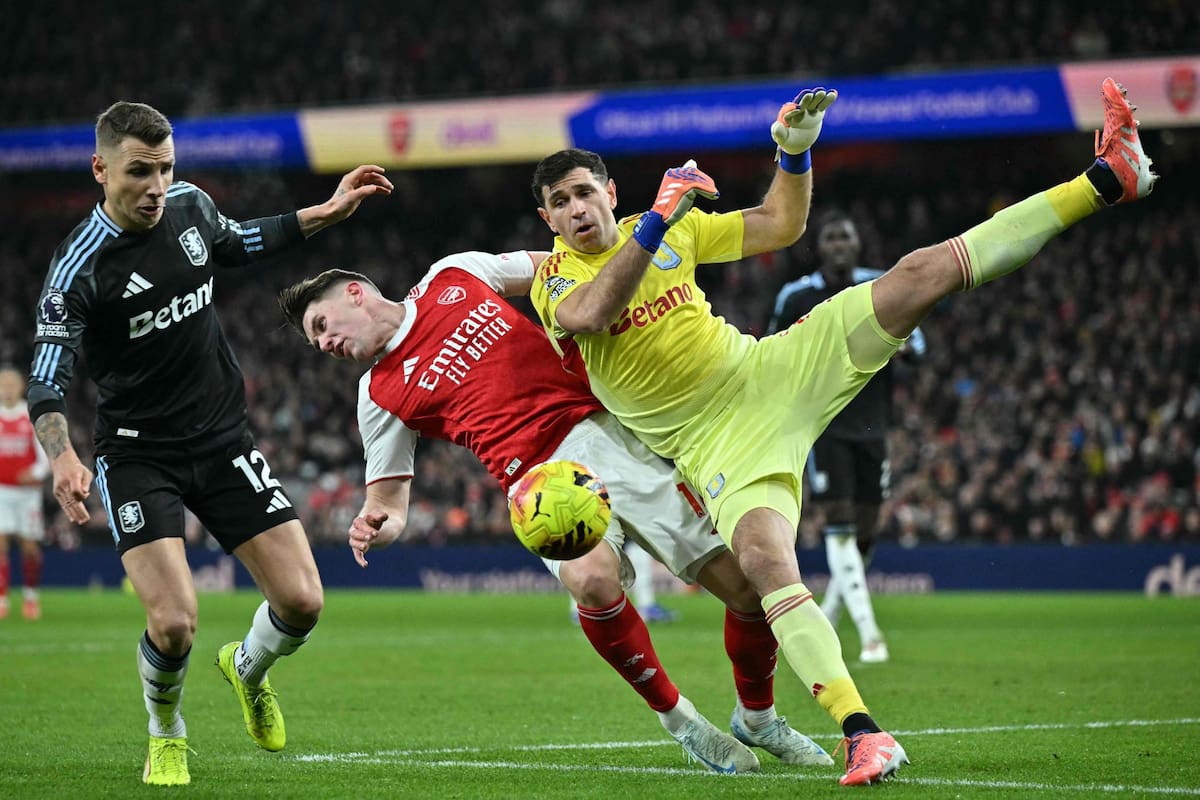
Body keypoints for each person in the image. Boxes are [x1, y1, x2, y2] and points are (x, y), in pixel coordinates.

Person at [527, 79, 1155, 786]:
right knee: (766, 565)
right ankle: (863, 733)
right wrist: (655, 224)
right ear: (548, 221)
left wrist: (793, 155)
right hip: (714, 444)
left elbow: (781, 224)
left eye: (585, 192)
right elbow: (596, 314)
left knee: (917, 276)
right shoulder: (556, 280)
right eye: (560, 203)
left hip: (771, 371)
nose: (576, 209)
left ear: (611, 192)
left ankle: (1107, 178)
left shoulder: (675, 228)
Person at [277, 254, 834, 774]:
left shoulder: (455, 275)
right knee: (592, 581)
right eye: (314, 340)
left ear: (355, 294)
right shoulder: (378, 392)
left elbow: (556, 266)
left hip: (612, 433)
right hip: (539, 484)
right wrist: (380, 524)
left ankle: (757, 717)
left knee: (745, 590)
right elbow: (388, 499)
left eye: (322, 325)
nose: (324, 343)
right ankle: (680, 720)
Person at [25, 101, 393, 786]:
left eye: (165, 168)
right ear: (101, 170)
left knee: (303, 602)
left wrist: (328, 212)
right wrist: (64, 456)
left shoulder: (191, 206)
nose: (156, 186)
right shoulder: (79, 267)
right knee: (174, 624)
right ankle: (166, 730)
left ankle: (248, 668)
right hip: (137, 454)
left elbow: (241, 240)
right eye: (139, 172)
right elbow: (46, 377)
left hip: (222, 439)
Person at [768, 211, 927, 664]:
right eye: (831, 238)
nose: (839, 245)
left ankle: (832, 612)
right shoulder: (796, 295)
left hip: (874, 423)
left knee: (867, 531)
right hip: (824, 423)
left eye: (846, 237)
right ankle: (871, 634)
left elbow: (918, 347)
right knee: (838, 521)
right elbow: (771, 352)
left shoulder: (881, 286)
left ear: (858, 245)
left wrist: (907, 344)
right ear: (820, 248)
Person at [0, 365, 50, 621]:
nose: (7, 389)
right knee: (1, 545)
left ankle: (31, 597)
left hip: (27, 493)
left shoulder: (29, 416)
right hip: (2, 491)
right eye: (3, 384)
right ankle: (2, 599)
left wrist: (36, 473)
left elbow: (44, 457)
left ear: (20, 387)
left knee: (30, 547)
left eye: (11, 384)